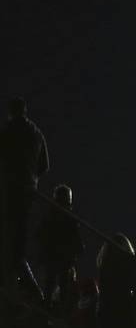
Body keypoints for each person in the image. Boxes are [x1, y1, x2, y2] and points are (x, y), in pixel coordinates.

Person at [0, 98, 48, 289]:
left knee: (7, 237)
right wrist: (31, 178)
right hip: (28, 191)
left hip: (8, 190)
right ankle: (28, 288)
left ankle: (12, 285)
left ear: (11, 112)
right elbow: (44, 165)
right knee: (19, 238)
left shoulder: (8, 132)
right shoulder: (36, 133)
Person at [35, 184, 81, 307]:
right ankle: (59, 309)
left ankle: (48, 306)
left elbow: (39, 234)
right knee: (61, 286)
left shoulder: (50, 216)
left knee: (51, 283)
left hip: (53, 256)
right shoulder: (70, 219)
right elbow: (77, 241)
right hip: (63, 258)